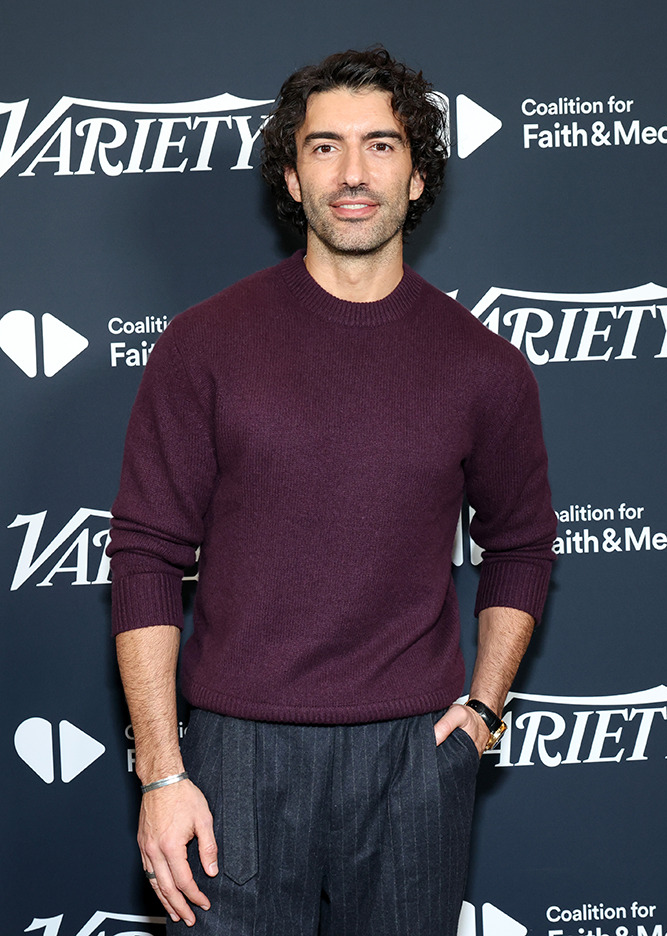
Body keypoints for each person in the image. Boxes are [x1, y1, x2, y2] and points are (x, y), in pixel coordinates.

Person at [108, 46, 556, 936]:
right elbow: (147, 556)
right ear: (290, 171)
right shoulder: (204, 346)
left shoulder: (484, 365)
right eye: (325, 147)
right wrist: (163, 772)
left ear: (419, 175)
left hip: (413, 759)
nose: (354, 174)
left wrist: (482, 711)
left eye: (381, 146)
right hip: (234, 754)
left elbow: (522, 547)